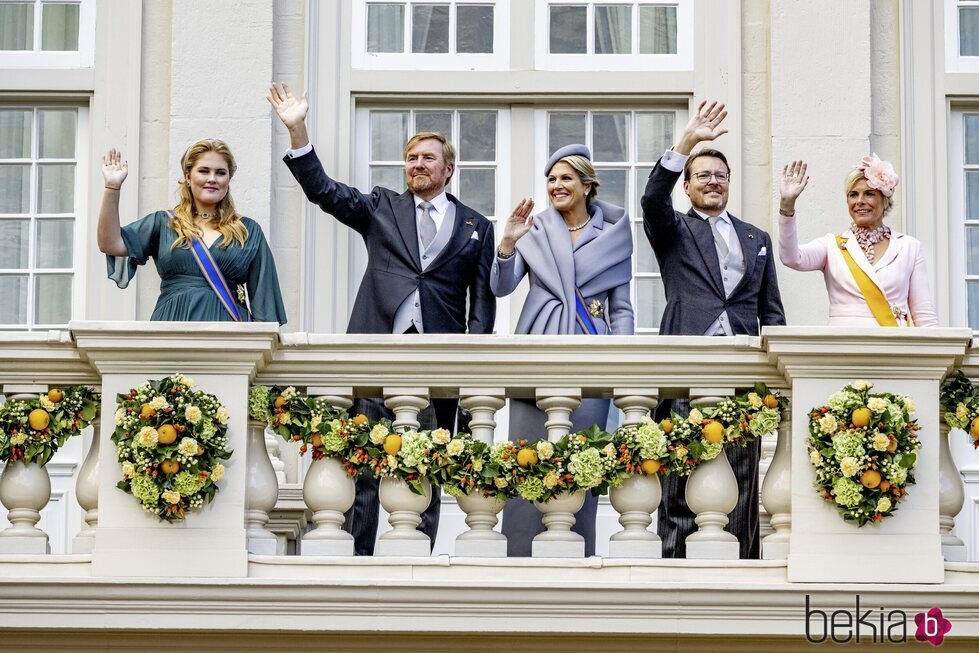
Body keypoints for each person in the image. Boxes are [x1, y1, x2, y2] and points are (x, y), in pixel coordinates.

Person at [267, 82, 496, 555]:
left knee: (425, 467)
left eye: (428, 158)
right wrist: (297, 130)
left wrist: (470, 369)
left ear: (448, 168)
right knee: (364, 466)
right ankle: (357, 557)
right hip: (374, 359)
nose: (417, 165)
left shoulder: (477, 226)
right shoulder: (381, 207)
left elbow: (482, 306)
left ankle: (417, 559)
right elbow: (324, 192)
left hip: (438, 367)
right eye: (411, 158)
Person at [640, 100, 785, 559]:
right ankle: (674, 566)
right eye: (702, 175)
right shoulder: (673, 229)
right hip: (686, 371)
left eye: (720, 176)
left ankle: (742, 564)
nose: (713, 182)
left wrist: (773, 381)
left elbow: (772, 312)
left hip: (742, 376)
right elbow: (651, 198)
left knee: (740, 478)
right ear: (687, 184)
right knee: (681, 478)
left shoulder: (755, 238)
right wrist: (688, 142)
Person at [492, 144, 634, 557]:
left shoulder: (612, 235)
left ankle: (577, 553)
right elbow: (502, 287)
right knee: (526, 462)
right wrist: (507, 243)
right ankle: (519, 558)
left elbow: (621, 308)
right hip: (538, 347)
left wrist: (621, 360)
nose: (556, 185)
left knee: (581, 464)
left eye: (566, 178)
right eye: (551, 179)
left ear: (587, 185)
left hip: (588, 353)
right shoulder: (534, 230)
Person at [98, 140, 287, 325]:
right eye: (204, 171)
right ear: (188, 176)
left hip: (228, 334)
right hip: (172, 325)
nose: (212, 178)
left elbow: (266, 308)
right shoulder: (164, 223)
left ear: (228, 180)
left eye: (220, 173)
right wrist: (112, 188)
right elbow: (110, 244)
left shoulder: (247, 231)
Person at [777, 155, 938, 326]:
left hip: (892, 347)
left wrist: (936, 351)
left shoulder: (909, 247)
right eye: (853, 195)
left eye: (869, 194)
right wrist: (787, 205)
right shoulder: (832, 246)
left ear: (885, 200)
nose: (860, 201)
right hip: (845, 346)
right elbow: (791, 258)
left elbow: (923, 313)